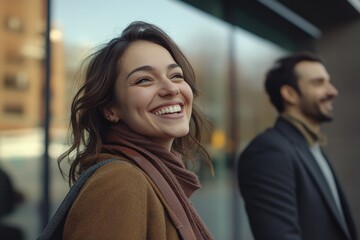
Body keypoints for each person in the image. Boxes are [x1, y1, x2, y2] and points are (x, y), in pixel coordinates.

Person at [53, 21, 213, 240]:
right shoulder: (120, 181)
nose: (171, 88)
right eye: (144, 80)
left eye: (176, 75)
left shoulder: (154, 176)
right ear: (110, 109)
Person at [237, 52, 358, 240]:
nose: (333, 91)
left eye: (329, 82)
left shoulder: (311, 146)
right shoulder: (268, 152)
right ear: (290, 94)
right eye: (319, 83)